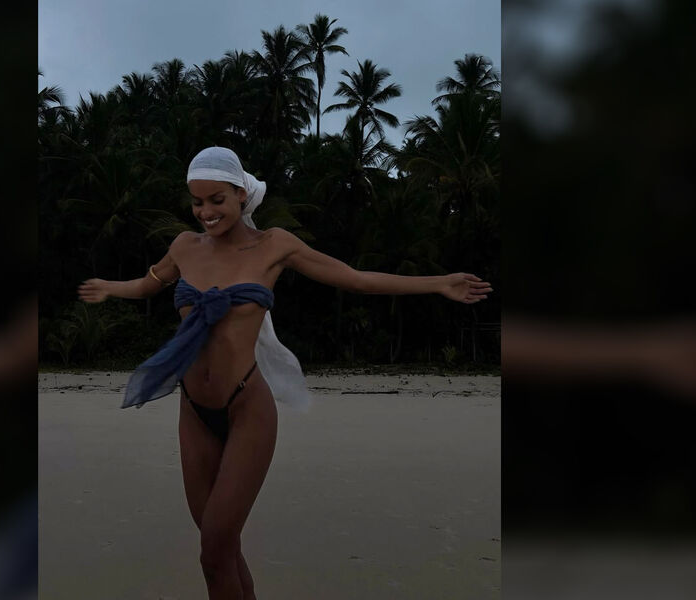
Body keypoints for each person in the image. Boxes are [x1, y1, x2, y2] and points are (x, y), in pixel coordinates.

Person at [78, 146, 492, 599]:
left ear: (241, 194)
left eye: (216, 199)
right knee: (221, 551)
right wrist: (109, 288)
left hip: (246, 408)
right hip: (193, 410)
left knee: (214, 547)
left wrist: (439, 283)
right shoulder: (184, 246)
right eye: (197, 202)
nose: (205, 211)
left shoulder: (274, 245)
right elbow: (148, 285)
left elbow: (356, 279)